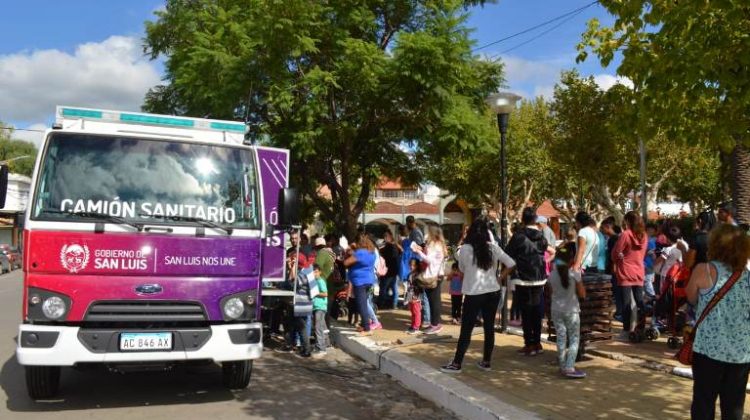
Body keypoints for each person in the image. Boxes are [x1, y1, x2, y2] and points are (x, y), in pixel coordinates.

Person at [686, 224, 750, 420]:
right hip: (740, 352)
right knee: (733, 406)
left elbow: (691, 298)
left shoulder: (703, 270)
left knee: (704, 402)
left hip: (708, 349)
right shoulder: (747, 276)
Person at [440, 217, 516, 373]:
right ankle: (486, 362)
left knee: (466, 330)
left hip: (473, 293)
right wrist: (500, 277)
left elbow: (461, 271)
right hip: (492, 292)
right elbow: (512, 263)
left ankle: (457, 363)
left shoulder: (465, 249)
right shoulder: (493, 248)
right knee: (489, 328)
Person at [506, 207, 551, 356]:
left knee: (526, 312)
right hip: (539, 278)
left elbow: (507, 255)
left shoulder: (518, 236)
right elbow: (552, 250)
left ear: (523, 219)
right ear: (535, 220)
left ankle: (529, 344)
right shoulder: (541, 236)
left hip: (522, 278)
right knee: (537, 311)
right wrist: (544, 262)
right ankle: (537, 343)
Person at [548, 241, 587, 379]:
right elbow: (582, 294)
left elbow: (550, 292)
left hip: (556, 310)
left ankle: (562, 366)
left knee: (561, 338)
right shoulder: (575, 275)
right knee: (574, 339)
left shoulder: (552, 275)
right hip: (572, 311)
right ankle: (570, 367)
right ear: (571, 260)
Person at [611, 211, 648, 338]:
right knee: (639, 301)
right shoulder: (644, 236)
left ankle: (626, 330)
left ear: (628, 221)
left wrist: (619, 258)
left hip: (625, 271)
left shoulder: (625, 234)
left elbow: (615, 253)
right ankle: (641, 327)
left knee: (625, 302)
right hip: (639, 271)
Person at [413, 226, 448, 334]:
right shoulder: (439, 244)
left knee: (434, 301)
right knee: (434, 301)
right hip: (437, 274)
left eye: (427, 232)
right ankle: (434, 323)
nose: (426, 235)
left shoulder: (435, 245)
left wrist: (418, 252)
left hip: (433, 275)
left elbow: (429, 260)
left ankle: (435, 324)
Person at [344, 233, 378, 336]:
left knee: (361, 305)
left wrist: (350, 250)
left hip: (360, 281)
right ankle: (364, 325)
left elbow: (346, 263)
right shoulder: (372, 252)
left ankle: (367, 329)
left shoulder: (360, 253)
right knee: (363, 302)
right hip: (369, 280)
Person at [377, 230, 401, 309]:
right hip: (393, 271)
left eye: (385, 236)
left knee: (384, 288)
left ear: (389, 237)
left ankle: (382, 303)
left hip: (389, 271)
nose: (384, 238)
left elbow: (387, 257)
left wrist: (381, 252)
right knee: (393, 288)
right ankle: (393, 304)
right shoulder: (394, 246)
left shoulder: (389, 247)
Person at [311, 264, 329, 357]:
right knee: (320, 326)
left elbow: (325, 294)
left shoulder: (320, 281)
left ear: (320, 272)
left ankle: (321, 347)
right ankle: (324, 344)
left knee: (318, 327)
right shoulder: (314, 281)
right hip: (316, 307)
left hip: (320, 307)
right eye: (313, 271)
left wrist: (315, 293)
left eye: (316, 271)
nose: (314, 273)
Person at [405, 258, 425, 335]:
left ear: (417, 266)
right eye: (410, 265)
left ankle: (416, 326)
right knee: (412, 311)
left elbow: (420, 287)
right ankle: (413, 325)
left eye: (413, 265)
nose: (411, 267)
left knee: (416, 311)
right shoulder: (410, 274)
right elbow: (408, 286)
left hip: (416, 295)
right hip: (410, 294)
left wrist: (416, 296)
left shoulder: (418, 275)